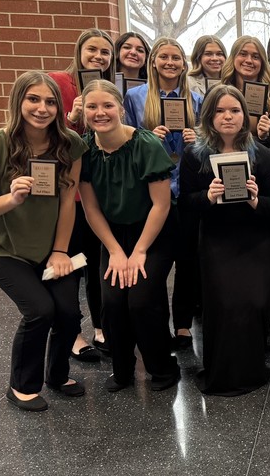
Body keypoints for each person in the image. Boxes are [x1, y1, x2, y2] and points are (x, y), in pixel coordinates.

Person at [0, 71, 88, 411]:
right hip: (1, 248)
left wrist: (60, 250)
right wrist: (12, 199)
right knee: (39, 311)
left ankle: (57, 375)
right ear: (18, 102)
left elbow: (68, 202)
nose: (42, 108)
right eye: (33, 99)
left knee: (68, 312)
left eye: (50, 102)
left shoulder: (70, 144)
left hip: (50, 247)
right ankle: (22, 385)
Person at [180, 84, 270, 394]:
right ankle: (221, 373)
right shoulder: (194, 156)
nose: (228, 117)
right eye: (220, 111)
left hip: (256, 241)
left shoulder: (263, 156)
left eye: (235, 110)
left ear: (245, 115)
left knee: (254, 303)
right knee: (223, 306)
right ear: (209, 116)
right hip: (217, 241)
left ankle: (252, 371)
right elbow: (185, 203)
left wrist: (256, 201)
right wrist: (207, 197)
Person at [77, 79, 181, 392]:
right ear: (84, 112)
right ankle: (122, 371)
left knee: (141, 300)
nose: (100, 112)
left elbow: (161, 205)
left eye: (107, 105)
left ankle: (162, 368)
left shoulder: (145, 144)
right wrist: (115, 251)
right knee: (112, 301)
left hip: (154, 231)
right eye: (92, 106)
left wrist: (139, 251)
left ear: (121, 109)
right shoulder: (84, 149)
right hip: (112, 234)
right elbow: (91, 208)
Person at [123, 37, 204, 350]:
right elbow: (125, 141)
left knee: (187, 261)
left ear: (184, 64)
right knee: (156, 264)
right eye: (164, 57)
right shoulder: (135, 97)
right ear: (153, 61)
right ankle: (158, 323)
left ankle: (183, 324)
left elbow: (209, 144)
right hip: (153, 192)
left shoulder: (196, 99)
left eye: (176, 58)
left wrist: (197, 139)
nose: (170, 63)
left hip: (186, 189)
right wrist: (146, 138)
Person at [48, 28, 113, 362]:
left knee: (97, 264)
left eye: (105, 52)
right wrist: (71, 119)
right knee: (71, 263)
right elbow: (45, 131)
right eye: (92, 50)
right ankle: (72, 333)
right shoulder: (60, 83)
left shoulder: (108, 88)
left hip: (98, 192)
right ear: (79, 51)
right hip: (68, 194)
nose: (98, 57)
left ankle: (101, 326)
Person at [222, 35, 270, 145]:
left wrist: (267, 135)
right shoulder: (218, 93)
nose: (249, 60)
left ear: (262, 62)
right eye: (243, 54)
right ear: (233, 58)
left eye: (255, 57)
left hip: (265, 153)